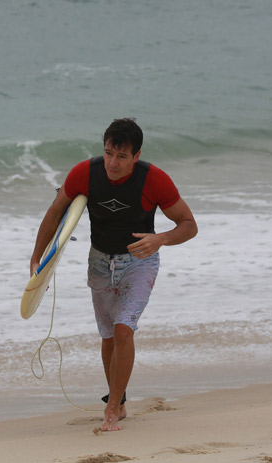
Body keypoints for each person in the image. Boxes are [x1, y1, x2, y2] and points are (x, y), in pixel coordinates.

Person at [29, 118, 197, 431]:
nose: (112, 162)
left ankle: (113, 407)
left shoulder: (154, 180)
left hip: (139, 262)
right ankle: (117, 403)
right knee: (108, 337)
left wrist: (159, 238)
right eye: (108, 153)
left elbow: (189, 225)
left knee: (123, 329)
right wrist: (38, 258)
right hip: (99, 262)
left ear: (136, 155)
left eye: (121, 156)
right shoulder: (85, 173)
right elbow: (55, 214)